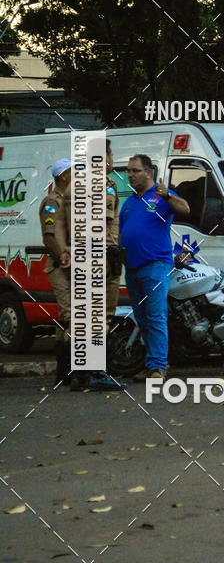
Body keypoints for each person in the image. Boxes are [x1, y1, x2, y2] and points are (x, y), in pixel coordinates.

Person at [56, 139, 127, 391]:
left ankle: (78, 374)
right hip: (99, 257)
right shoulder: (102, 185)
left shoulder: (71, 185)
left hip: (81, 258)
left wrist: (67, 249)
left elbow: (61, 224)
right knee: (101, 316)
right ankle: (96, 372)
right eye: (111, 154)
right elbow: (101, 226)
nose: (112, 160)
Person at [119, 153, 190, 381]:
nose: (130, 175)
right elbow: (121, 232)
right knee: (142, 318)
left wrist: (168, 194)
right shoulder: (129, 202)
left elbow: (186, 209)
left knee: (156, 316)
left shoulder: (161, 197)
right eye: (128, 171)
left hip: (156, 266)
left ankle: (159, 367)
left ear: (148, 172)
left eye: (135, 170)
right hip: (132, 268)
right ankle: (151, 365)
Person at [39, 158, 72, 388]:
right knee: (71, 316)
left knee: (64, 319)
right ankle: (71, 370)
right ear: (64, 177)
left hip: (70, 264)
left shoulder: (69, 200)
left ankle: (63, 372)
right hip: (60, 266)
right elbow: (49, 237)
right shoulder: (52, 202)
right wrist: (63, 257)